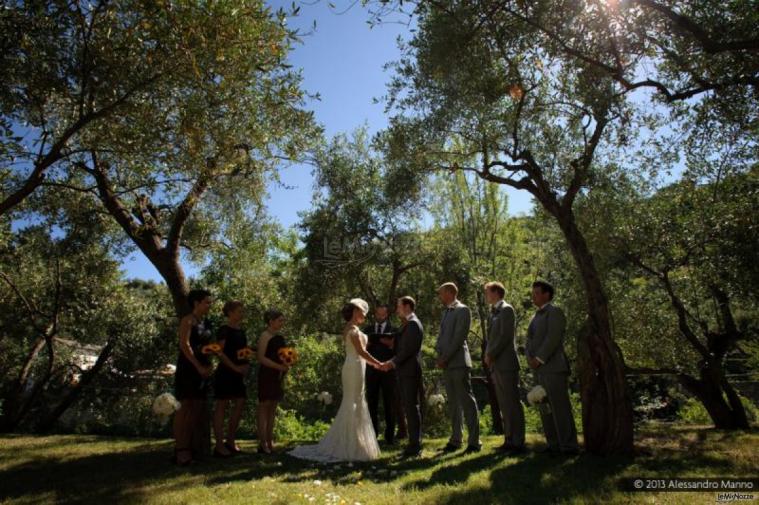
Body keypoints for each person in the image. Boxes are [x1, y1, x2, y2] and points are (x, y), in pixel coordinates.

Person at [289, 298, 382, 462]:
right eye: (362, 312)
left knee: (356, 400)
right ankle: (350, 444)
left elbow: (360, 353)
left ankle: (356, 441)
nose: (364, 316)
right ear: (355, 312)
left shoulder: (349, 328)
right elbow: (361, 352)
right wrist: (378, 363)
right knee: (353, 401)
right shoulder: (353, 330)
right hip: (354, 366)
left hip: (355, 366)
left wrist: (372, 364)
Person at [525, 281, 580, 455]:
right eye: (532, 294)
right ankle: (553, 444)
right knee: (545, 408)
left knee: (560, 408)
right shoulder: (534, 316)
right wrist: (530, 359)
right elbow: (528, 341)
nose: (533, 297)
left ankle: (569, 446)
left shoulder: (555, 312)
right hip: (538, 369)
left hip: (554, 367)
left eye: (536, 293)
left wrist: (539, 358)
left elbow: (553, 338)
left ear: (547, 295)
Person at [435, 282, 481, 454]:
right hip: (446, 364)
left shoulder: (463, 310)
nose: (440, 296)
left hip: (459, 363)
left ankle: (474, 442)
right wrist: (439, 354)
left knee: (467, 402)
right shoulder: (446, 312)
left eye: (441, 293)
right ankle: (456, 439)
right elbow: (442, 337)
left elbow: (459, 337)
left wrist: (445, 357)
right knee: (453, 403)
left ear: (449, 292)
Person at [378, 296, 424, 458]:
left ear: (407, 306)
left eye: (398, 306)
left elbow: (407, 351)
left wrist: (391, 363)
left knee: (411, 407)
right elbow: (402, 346)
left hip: (410, 371)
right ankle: (414, 444)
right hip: (405, 371)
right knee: (409, 406)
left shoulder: (413, 324)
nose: (397, 310)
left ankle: (415, 446)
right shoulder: (407, 325)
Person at [483, 282, 525, 454]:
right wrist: (488, 354)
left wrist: (491, 354)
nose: (486, 295)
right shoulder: (493, 312)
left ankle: (518, 441)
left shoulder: (507, 310)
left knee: (512, 401)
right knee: (503, 403)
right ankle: (508, 438)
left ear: (496, 292)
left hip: (506, 362)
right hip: (496, 364)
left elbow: (504, 336)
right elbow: (492, 337)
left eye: (487, 292)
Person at [173, 289, 213, 466]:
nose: (209, 305)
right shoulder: (187, 320)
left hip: (203, 370)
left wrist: (209, 365)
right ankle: (180, 450)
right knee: (185, 408)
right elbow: (184, 344)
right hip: (188, 369)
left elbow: (208, 346)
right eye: (207, 302)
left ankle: (192, 448)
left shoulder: (205, 323)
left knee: (197, 407)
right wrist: (197, 366)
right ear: (196, 303)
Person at [212, 301, 250, 457]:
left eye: (242, 311)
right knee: (222, 405)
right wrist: (234, 367)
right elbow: (219, 352)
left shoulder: (241, 331)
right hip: (225, 372)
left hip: (239, 373)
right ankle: (219, 445)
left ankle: (231, 440)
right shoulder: (224, 330)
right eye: (239, 311)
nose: (242, 314)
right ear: (230, 312)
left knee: (240, 402)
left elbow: (244, 351)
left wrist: (246, 365)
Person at [363, 304, 398, 445]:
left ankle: (390, 436)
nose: (380, 317)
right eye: (378, 314)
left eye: (383, 315)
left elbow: (398, 350)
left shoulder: (394, 330)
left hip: (388, 372)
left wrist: (389, 343)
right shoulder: (367, 330)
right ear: (375, 314)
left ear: (387, 315)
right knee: (372, 403)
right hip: (371, 371)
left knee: (389, 403)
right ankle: (373, 434)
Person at [257, 309, 289, 454]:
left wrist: (286, 365)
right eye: (279, 320)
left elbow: (283, 355)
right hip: (267, 374)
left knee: (273, 408)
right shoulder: (265, 335)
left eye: (283, 320)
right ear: (271, 321)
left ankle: (270, 441)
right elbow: (261, 358)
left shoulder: (280, 337)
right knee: (265, 406)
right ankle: (262, 442)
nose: (282, 323)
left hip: (278, 375)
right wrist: (278, 366)